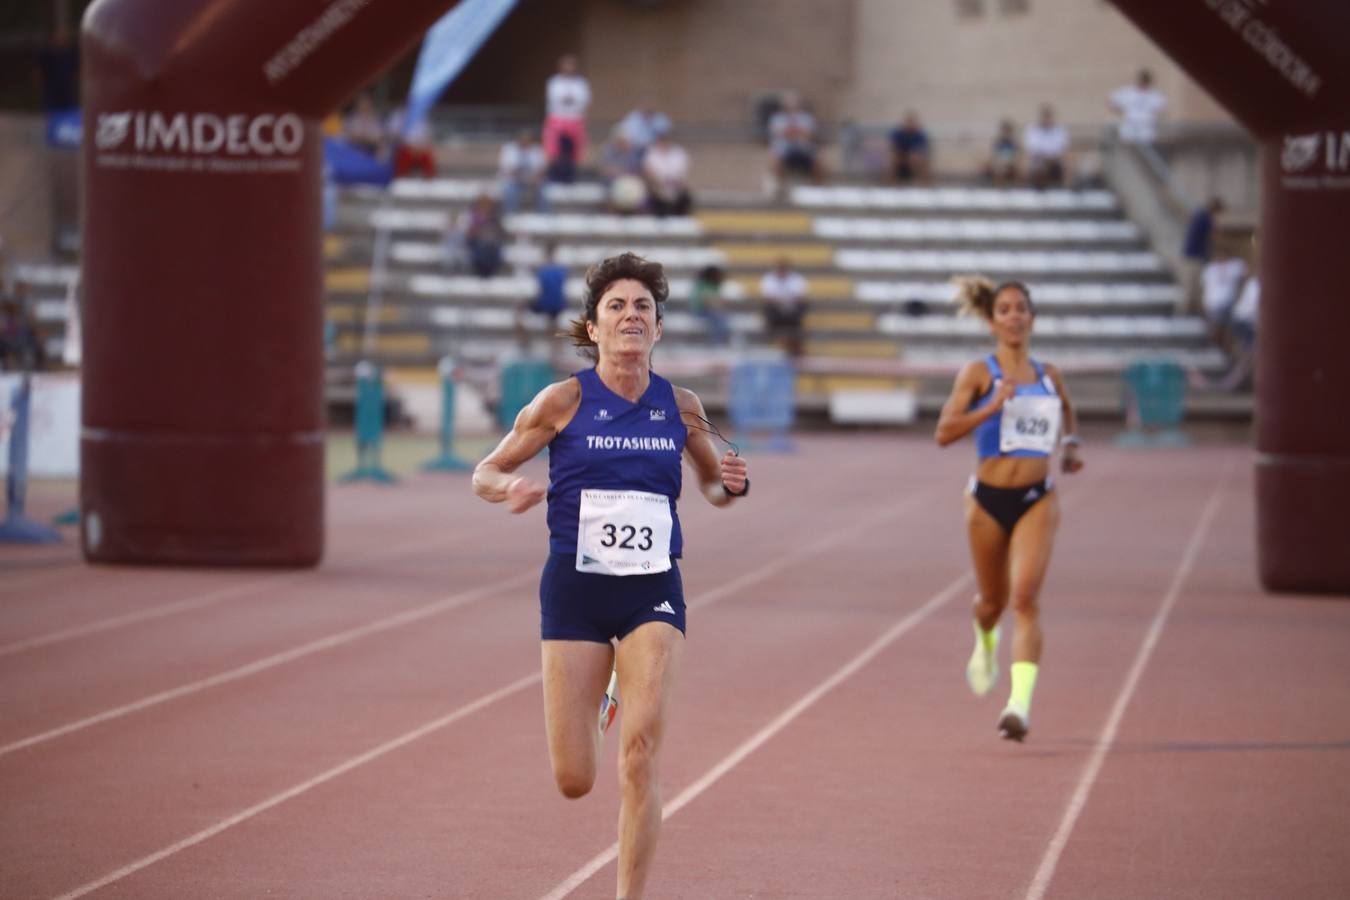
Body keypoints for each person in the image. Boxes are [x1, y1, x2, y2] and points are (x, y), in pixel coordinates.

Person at [472, 252, 749, 900]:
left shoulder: (680, 405)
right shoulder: (563, 399)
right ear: (593, 328)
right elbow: (482, 471)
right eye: (616, 306)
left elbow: (712, 485)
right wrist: (505, 486)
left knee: (640, 753)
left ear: (658, 328)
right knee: (575, 778)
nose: (631, 315)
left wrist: (732, 484)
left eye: (643, 307)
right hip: (575, 587)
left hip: (652, 586)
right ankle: (605, 694)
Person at [934, 277, 1084, 742]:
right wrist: (992, 406)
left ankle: (1018, 706)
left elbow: (1066, 413)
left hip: (1037, 499)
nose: (1015, 315)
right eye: (1005, 309)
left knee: (1024, 598)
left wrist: (1072, 446)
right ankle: (985, 639)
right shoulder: (979, 373)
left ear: (1032, 318)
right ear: (992, 320)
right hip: (986, 500)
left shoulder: (1049, 374)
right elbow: (944, 431)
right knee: (992, 603)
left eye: (1022, 308)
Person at [516, 242, 569, 349]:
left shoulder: (542, 270)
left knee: (519, 310)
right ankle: (556, 347)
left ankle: (525, 342)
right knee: (553, 321)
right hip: (558, 304)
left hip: (546, 302)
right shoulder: (562, 269)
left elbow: (541, 290)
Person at [767, 93, 825, 189]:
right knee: (776, 164)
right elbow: (778, 133)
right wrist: (796, 132)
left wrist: (790, 132)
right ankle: (780, 189)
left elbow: (809, 134)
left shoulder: (806, 118)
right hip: (784, 151)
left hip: (804, 150)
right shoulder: (777, 119)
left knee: (819, 165)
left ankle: (817, 189)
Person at [1179, 197, 1224, 317]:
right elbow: (1212, 237)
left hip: (1191, 253)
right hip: (1195, 254)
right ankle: (1186, 309)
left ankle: (1190, 307)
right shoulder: (1205, 218)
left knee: (1193, 282)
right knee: (1192, 282)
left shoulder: (1199, 214)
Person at [543, 54, 591, 163]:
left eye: (571, 65)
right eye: (566, 65)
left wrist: (570, 100)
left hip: (575, 118)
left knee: (577, 149)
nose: (568, 68)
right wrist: (569, 99)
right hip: (557, 118)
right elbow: (554, 98)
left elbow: (584, 100)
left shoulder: (581, 83)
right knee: (553, 148)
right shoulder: (554, 82)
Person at [758, 257, 808, 358]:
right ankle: (771, 337)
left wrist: (783, 302)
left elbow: (800, 298)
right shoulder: (769, 279)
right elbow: (768, 299)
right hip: (776, 310)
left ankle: (796, 347)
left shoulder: (797, 279)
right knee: (767, 308)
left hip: (793, 311)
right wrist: (785, 302)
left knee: (801, 308)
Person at [642, 127, 693, 218]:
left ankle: (681, 218)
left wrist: (673, 183)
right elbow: (649, 171)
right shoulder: (652, 153)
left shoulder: (678, 153)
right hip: (657, 187)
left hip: (675, 186)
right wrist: (659, 183)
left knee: (685, 196)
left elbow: (681, 172)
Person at [1108, 68, 1167, 145]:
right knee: (1129, 144)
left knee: (1145, 146)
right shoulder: (1128, 91)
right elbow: (1111, 101)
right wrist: (1121, 111)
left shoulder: (1154, 94)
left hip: (1146, 126)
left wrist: (1152, 115)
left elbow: (1161, 106)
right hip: (1130, 124)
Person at [498, 129, 549, 215]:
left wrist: (535, 178)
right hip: (514, 179)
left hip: (533, 180)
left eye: (528, 140)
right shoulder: (509, 149)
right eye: (523, 140)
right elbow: (506, 169)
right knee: (510, 190)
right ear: (518, 140)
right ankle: (511, 215)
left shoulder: (537, 150)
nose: (525, 142)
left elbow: (542, 168)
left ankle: (543, 217)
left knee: (544, 190)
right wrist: (521, 177)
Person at [1023, 104, 1069, 190]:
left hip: (1055, 160)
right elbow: (1032, 148)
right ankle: (1040, 189)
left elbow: (1061, 148)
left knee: (1066, 162)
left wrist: (1051, 157)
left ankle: (1065, 190)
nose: (1046, 119)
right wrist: (1044, 157)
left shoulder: (1059, 130)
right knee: (1039, 166)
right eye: (1044, 116)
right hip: (1038, 160)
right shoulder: (1033, 130)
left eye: (1048, 117)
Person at [688, 265, 731, 346]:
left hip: (712, 310)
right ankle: (717, 343)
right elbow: (706, 301)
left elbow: (718, 301)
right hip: (700, 310)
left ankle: (722, 342)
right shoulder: (702, 284)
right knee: (718, 318)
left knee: (723, 317)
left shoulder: (716, 285)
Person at [889, 111, 932, 184]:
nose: (910, 124)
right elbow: (893, 148)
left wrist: (914, 156)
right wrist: (902, 156)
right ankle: (891, 183)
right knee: (894, 158)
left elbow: (922, 150)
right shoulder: (898, 134)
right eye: (909, 122)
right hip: (900, 157)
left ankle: (925, 184)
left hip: (914, 158)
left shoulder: (920, 135)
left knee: (920, 160)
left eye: (912, 122)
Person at [984, 119, 1020, 188]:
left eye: (1008, 131)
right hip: (1000, 163)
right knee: (999, 169)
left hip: (1011, 163)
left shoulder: (1013, 143)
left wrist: (1011, 162)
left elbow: (1017, 155)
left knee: (1019, 170)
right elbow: (994, 156)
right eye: (1004, 131)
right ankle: (999, 190)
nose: (1006, 133)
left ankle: (1018, 190)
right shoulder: (998, 143)